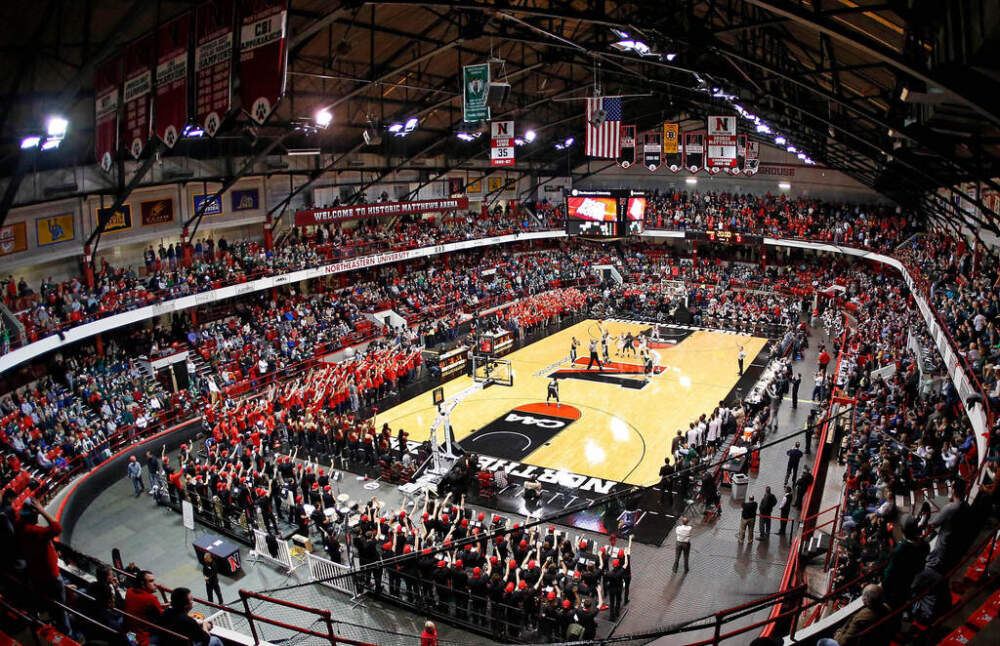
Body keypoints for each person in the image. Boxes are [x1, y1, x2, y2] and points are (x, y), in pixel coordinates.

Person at [17, 498, 71, 636]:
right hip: (50, 575)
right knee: (61, 607)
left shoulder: (19, 527)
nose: (38, 516)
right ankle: (66, 633)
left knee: (52, 604)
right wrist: (42, 510)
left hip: (37, 574)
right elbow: (57, 528)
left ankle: (56, 625)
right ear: (32, 515)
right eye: (36, 514)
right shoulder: (34, 532)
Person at [158, 587, 223, 646]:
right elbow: (206, 639)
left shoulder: (165, 613)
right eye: (191, 599)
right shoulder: (189, 621)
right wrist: (205, 626)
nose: (192, 601)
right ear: (186, 605)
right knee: (215, 639)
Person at [124, 570, 163, 646]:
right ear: (142, 584)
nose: (155, 584)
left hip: (129, 634)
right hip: (141, 640)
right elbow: (163, 618)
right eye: (151, 581)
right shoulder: (151, 599)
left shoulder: (129, 591)